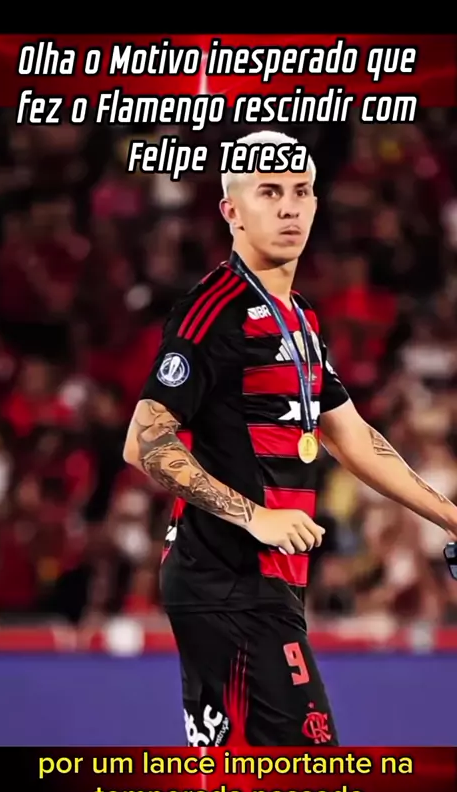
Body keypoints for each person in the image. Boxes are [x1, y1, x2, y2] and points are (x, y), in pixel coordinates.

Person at [123, 130, 457, 747]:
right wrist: (256, 517)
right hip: (226, 577)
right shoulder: (212, 311)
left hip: (266, 581)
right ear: (231, 210)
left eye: (301, 192)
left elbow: (352, 438)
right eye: (269, 192)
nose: (289, 208)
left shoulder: (300, 318)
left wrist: (451, 517)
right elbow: (145, 442)